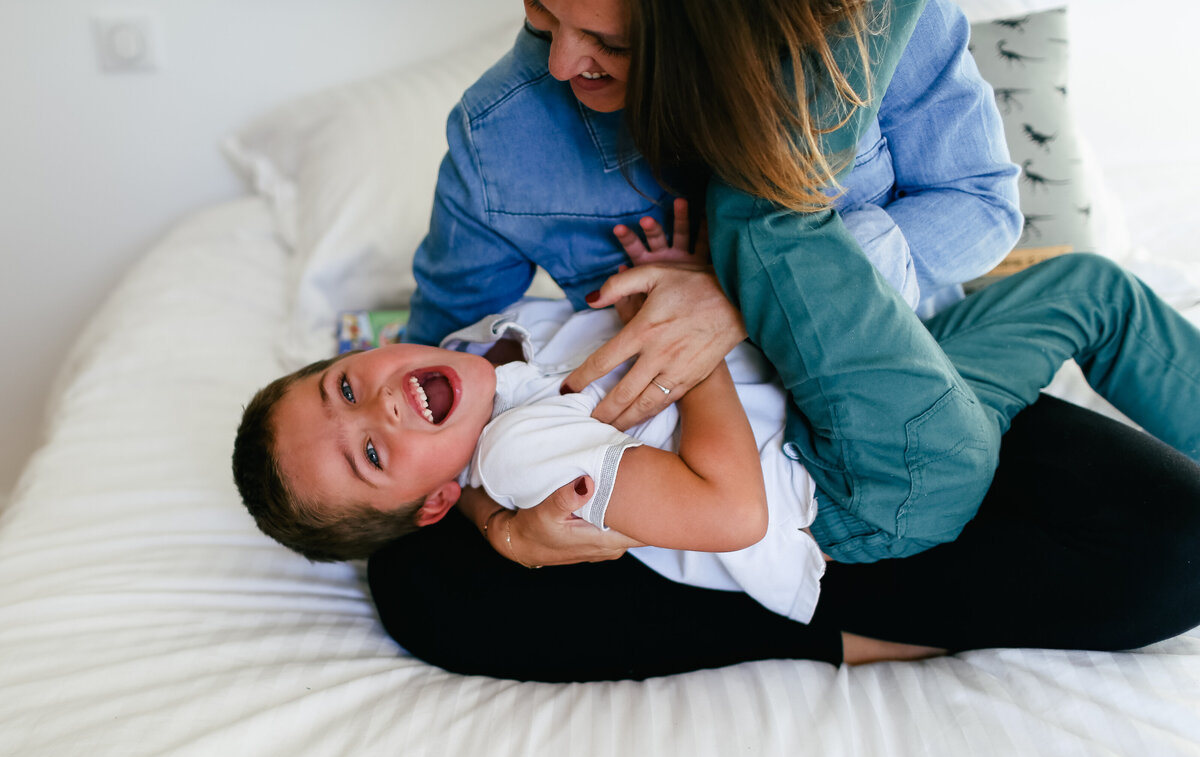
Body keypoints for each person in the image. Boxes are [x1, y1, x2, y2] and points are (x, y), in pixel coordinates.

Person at [362, 0, 1200, 680]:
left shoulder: (869, 29)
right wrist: (502, 528)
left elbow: (979, 205)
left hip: (903, 393)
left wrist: (747, 299)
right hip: (697, 490)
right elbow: (441, 356)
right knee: (409, 577)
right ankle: (817, 620)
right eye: (541, 17)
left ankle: (813, 610)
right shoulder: (499, 135)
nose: (558, 63)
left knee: (1178, 547)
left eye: (606, 41)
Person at [233, 215, 1200, 666]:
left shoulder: (478, 350)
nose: (383, 407)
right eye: (369, 450)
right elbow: (733, 512)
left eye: (347, 385)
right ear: (431, 503)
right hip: (862, 478)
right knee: (756, 214)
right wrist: (690, 342)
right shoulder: (524, 452)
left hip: (861, 422)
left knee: (1090, 288)